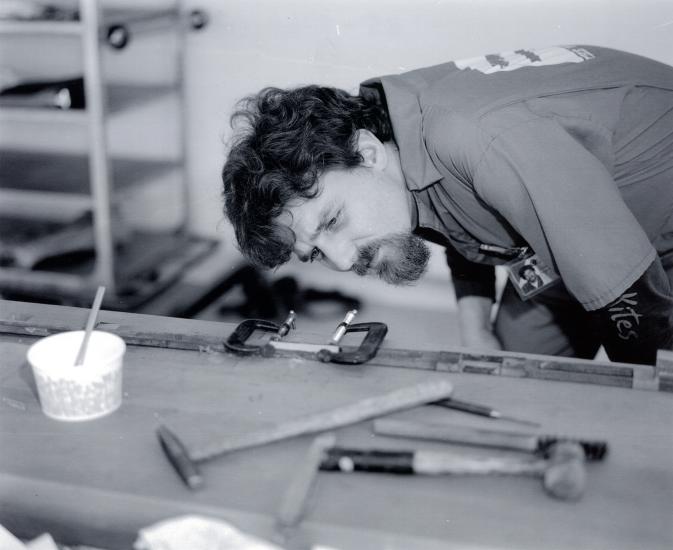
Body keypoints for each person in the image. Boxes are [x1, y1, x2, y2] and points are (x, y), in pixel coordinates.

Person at [221, 45, 673, 365]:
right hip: (565, 235)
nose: (341, 260)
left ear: (368, 152)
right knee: (510, 374)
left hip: (649, 243)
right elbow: (457, 212)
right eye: (315, 252)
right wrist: (475, 330)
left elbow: (632, 302)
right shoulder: (400, 150)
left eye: (333, 221)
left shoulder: (477, 140)